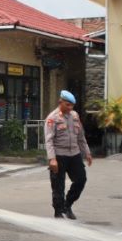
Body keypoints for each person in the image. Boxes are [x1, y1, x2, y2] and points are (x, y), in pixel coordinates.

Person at [44, 90, 92, 219]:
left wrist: (87, 152)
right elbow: (49, 140)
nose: (70, 108)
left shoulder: (75, 116)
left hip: (74, 154)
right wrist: (52, 159)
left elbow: (81, 137)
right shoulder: (52, 118)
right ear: (60, 102)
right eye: (67, 105)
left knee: (81, 180)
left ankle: (68, 204)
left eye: (72, 105)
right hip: (59, 155)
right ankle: (58, 212)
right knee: (58, 186)